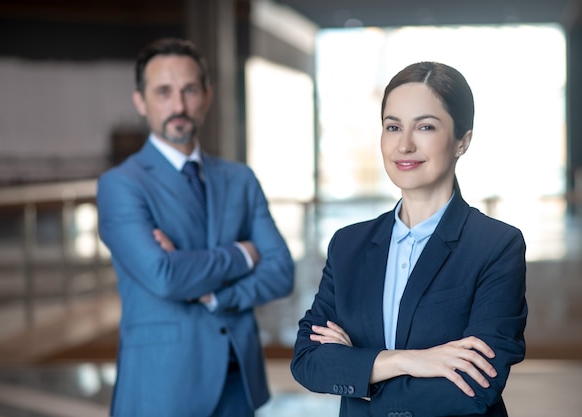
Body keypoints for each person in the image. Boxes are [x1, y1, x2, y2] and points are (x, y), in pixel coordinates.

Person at [291, 61, 527, 417]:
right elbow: (308, 361)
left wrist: (361, 372)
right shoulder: (348, 246)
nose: (404, 144)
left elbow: (476, 385)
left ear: (463, 140)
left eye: (425, 127)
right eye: (393, 127)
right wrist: (409, 361)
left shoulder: (495, 246)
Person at [97, 37, 295, 417]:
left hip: (239, 380)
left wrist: (214, 295)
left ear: (207, 95)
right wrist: (242, 254)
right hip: (163, 386)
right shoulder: (120, 185)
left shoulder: (240, 179)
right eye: (164, 92)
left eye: (189, 90)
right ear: (140, 101)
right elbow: (164, 275)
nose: (178, 106)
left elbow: (282, 271)